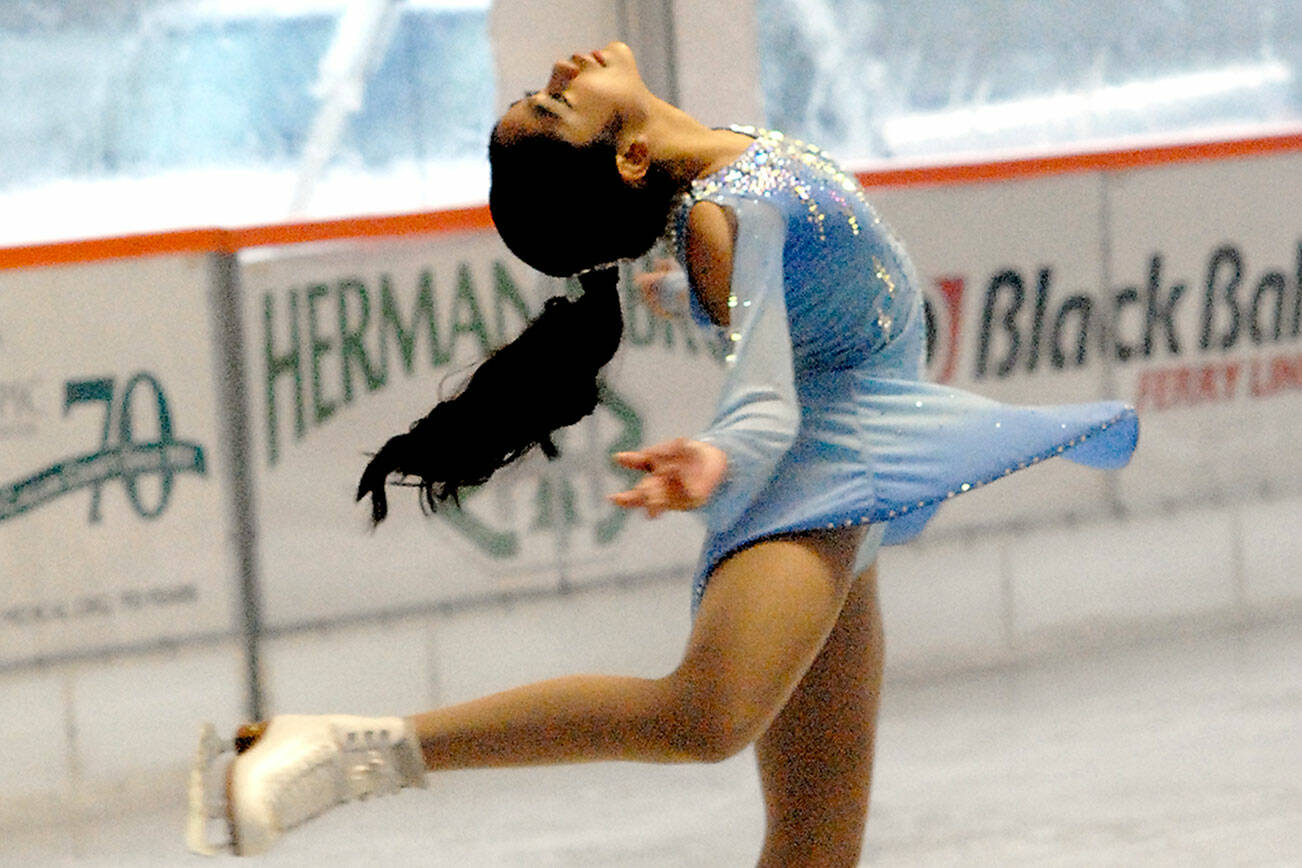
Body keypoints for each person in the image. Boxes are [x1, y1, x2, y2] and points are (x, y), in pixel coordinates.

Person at [189, 41, 1137, 864]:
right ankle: (332, 753)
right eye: (558, 101)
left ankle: (332, 751)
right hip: (825, 461)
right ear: (631, 152)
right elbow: (765, 399)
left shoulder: (706, 191)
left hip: (861, 467)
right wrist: (723, 455)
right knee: (704, 716)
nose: (561, 69)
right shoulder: (724, 215)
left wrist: (689, 298)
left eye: (543, 91)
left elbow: (783, 297)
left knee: (817, 843)